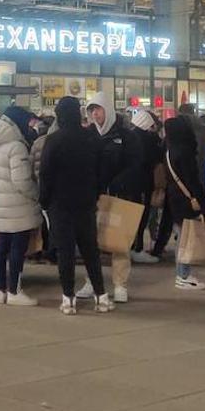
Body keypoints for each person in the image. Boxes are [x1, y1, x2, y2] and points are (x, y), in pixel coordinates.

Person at [40, 96, 111, 314]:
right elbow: (102, 171)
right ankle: (101, 295)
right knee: (90, 249)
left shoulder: (53, 141)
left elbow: (46, 175)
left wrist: (44, 201)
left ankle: (68, 297)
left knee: (66, 252)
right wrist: (96, 193)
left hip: (60, 205)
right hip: (86, 203)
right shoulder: (92, 139)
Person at [76, 93, 143, 304]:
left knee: (119, 241)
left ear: (108, 109)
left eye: (98, 109)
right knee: (91, 241)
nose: (95, 114)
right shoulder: (88, 136)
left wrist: (120, 182)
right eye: (91, 110)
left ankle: (120, 284)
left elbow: (136, 164)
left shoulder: (127, 136)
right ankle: (91, 281)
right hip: (94, 197)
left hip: (120, 197)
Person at [0, 106, 42, 307]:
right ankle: (14, 291)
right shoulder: (16, 146)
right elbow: (22, 182)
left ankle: (0, 290)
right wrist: (37, 195)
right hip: (19, 207)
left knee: (1, 248)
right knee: (18, 250)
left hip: (1, 206)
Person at [162, 116, 205, 291]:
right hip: (186, 201)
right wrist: (203, 203)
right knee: (185, 240)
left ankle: (182, 274)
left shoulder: (169, 150)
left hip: (174, 200)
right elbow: (192, 180)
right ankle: (183, 275)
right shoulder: (185, 152)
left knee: (181, 237)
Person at [128, 109, 162, 264]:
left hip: (131, 184)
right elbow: (155, 158)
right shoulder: (147, 140)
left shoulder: (129, 136)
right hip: (143, 183)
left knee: (133, 215)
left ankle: (132, 246)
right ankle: (137, 248)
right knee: (142, 215)